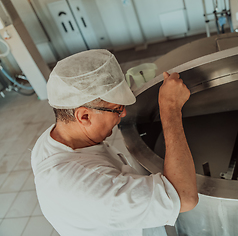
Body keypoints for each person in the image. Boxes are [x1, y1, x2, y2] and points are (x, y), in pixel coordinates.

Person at [31, 49, 198, 236]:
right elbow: (185, 197)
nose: (123, 114)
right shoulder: (88, 190)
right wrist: (171, 109)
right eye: (117, 109)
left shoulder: (56, 138)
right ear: (84, 116)